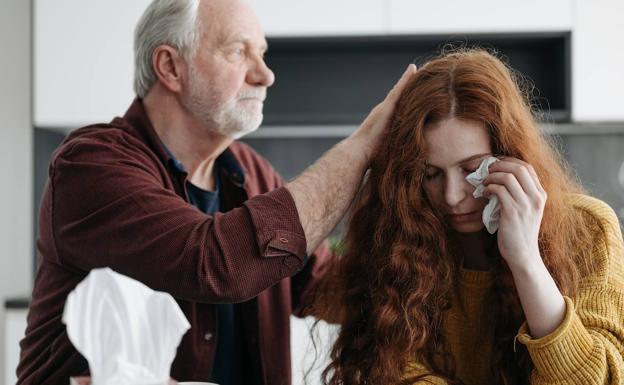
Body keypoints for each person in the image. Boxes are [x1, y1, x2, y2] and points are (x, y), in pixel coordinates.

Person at [16, 0, 416, 384]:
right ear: (171, 66)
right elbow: (211, 262)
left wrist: (451, 249)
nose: (265, 74)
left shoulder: (253, 174)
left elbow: (324, 288)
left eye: (261, 53)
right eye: (238, 52)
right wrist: (361, 148)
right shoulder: (90, 165)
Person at [315, 49, 624, 385]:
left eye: (472, 169)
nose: (451, 196)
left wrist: (525, 260)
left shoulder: (588, 228)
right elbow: (395, 371)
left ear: (511, 156)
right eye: (430, 174)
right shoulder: (401, 235)